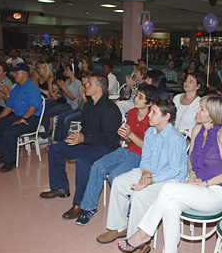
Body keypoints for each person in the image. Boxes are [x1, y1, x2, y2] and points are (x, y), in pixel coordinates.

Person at [117, 95, 222, 253]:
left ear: (212, 115)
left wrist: (203, 184)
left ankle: (143, 234)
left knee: (168, 188)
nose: (196, 110)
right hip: (197, 186)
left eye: (201, 109)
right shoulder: (197, 131)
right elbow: (190, 160)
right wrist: (192, 175)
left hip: (217, 192)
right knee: (170, 207)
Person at [96, 99, 187, 253]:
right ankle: (119, 226)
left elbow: (174, 170)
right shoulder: (152, 132)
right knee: (118, 182)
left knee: (140, 194)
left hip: (169, 179)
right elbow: (145, 157)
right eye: (150, 111)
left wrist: (150, 180)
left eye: (154, 112)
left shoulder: (175, 138)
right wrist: (145, 172)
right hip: (150, 172)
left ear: (166, 117)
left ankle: (139, 243)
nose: (149, 115)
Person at [39, 74, 122, 220]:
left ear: (98, 88)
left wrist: (84, 138)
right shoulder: (89, 105)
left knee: (82, 161)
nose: (86, 86)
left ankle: (81, 204)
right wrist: (77, 136)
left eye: (89, 83)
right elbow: (86, 128)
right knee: (55, 148)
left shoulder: (110, 108)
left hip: (106, 147)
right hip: (89, 142)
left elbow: (110, 139)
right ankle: (60, 188)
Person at [75, 84, 159, 225]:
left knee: (116, 175)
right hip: (126, 149)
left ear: (149, 103)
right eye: (137, 95)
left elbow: (149, 149)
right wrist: (125, 135)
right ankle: (89, 207)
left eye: (140, 97)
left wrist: (130, 135)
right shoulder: (132, 113)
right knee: (97, 166)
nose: (135, 98)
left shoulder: (153, 120)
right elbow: (128, 138)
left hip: (141, 156)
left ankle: (130, 207)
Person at [0, 63, 43, 173]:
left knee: (9, 132)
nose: (14, 75)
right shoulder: (16, 88)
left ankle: (10, 161)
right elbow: (9, 106)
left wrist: (23, 118)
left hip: (31, 119)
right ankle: (5, 154)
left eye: (16, 73)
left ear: (24, 74)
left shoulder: (32, 88)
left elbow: (33, 107)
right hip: (18, 117)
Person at [39, 63, 82, 142]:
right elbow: (65, 96)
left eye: (67, 70)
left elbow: (72, 98)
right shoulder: (67, 81)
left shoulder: (77, 83)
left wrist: (64, 88)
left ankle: (44, 134)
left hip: (71, 106)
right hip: (64, 102)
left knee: (48, 111)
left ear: (72, 72)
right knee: (46, 103)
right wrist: (61, 90)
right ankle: (43, 127)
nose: (65, 71)